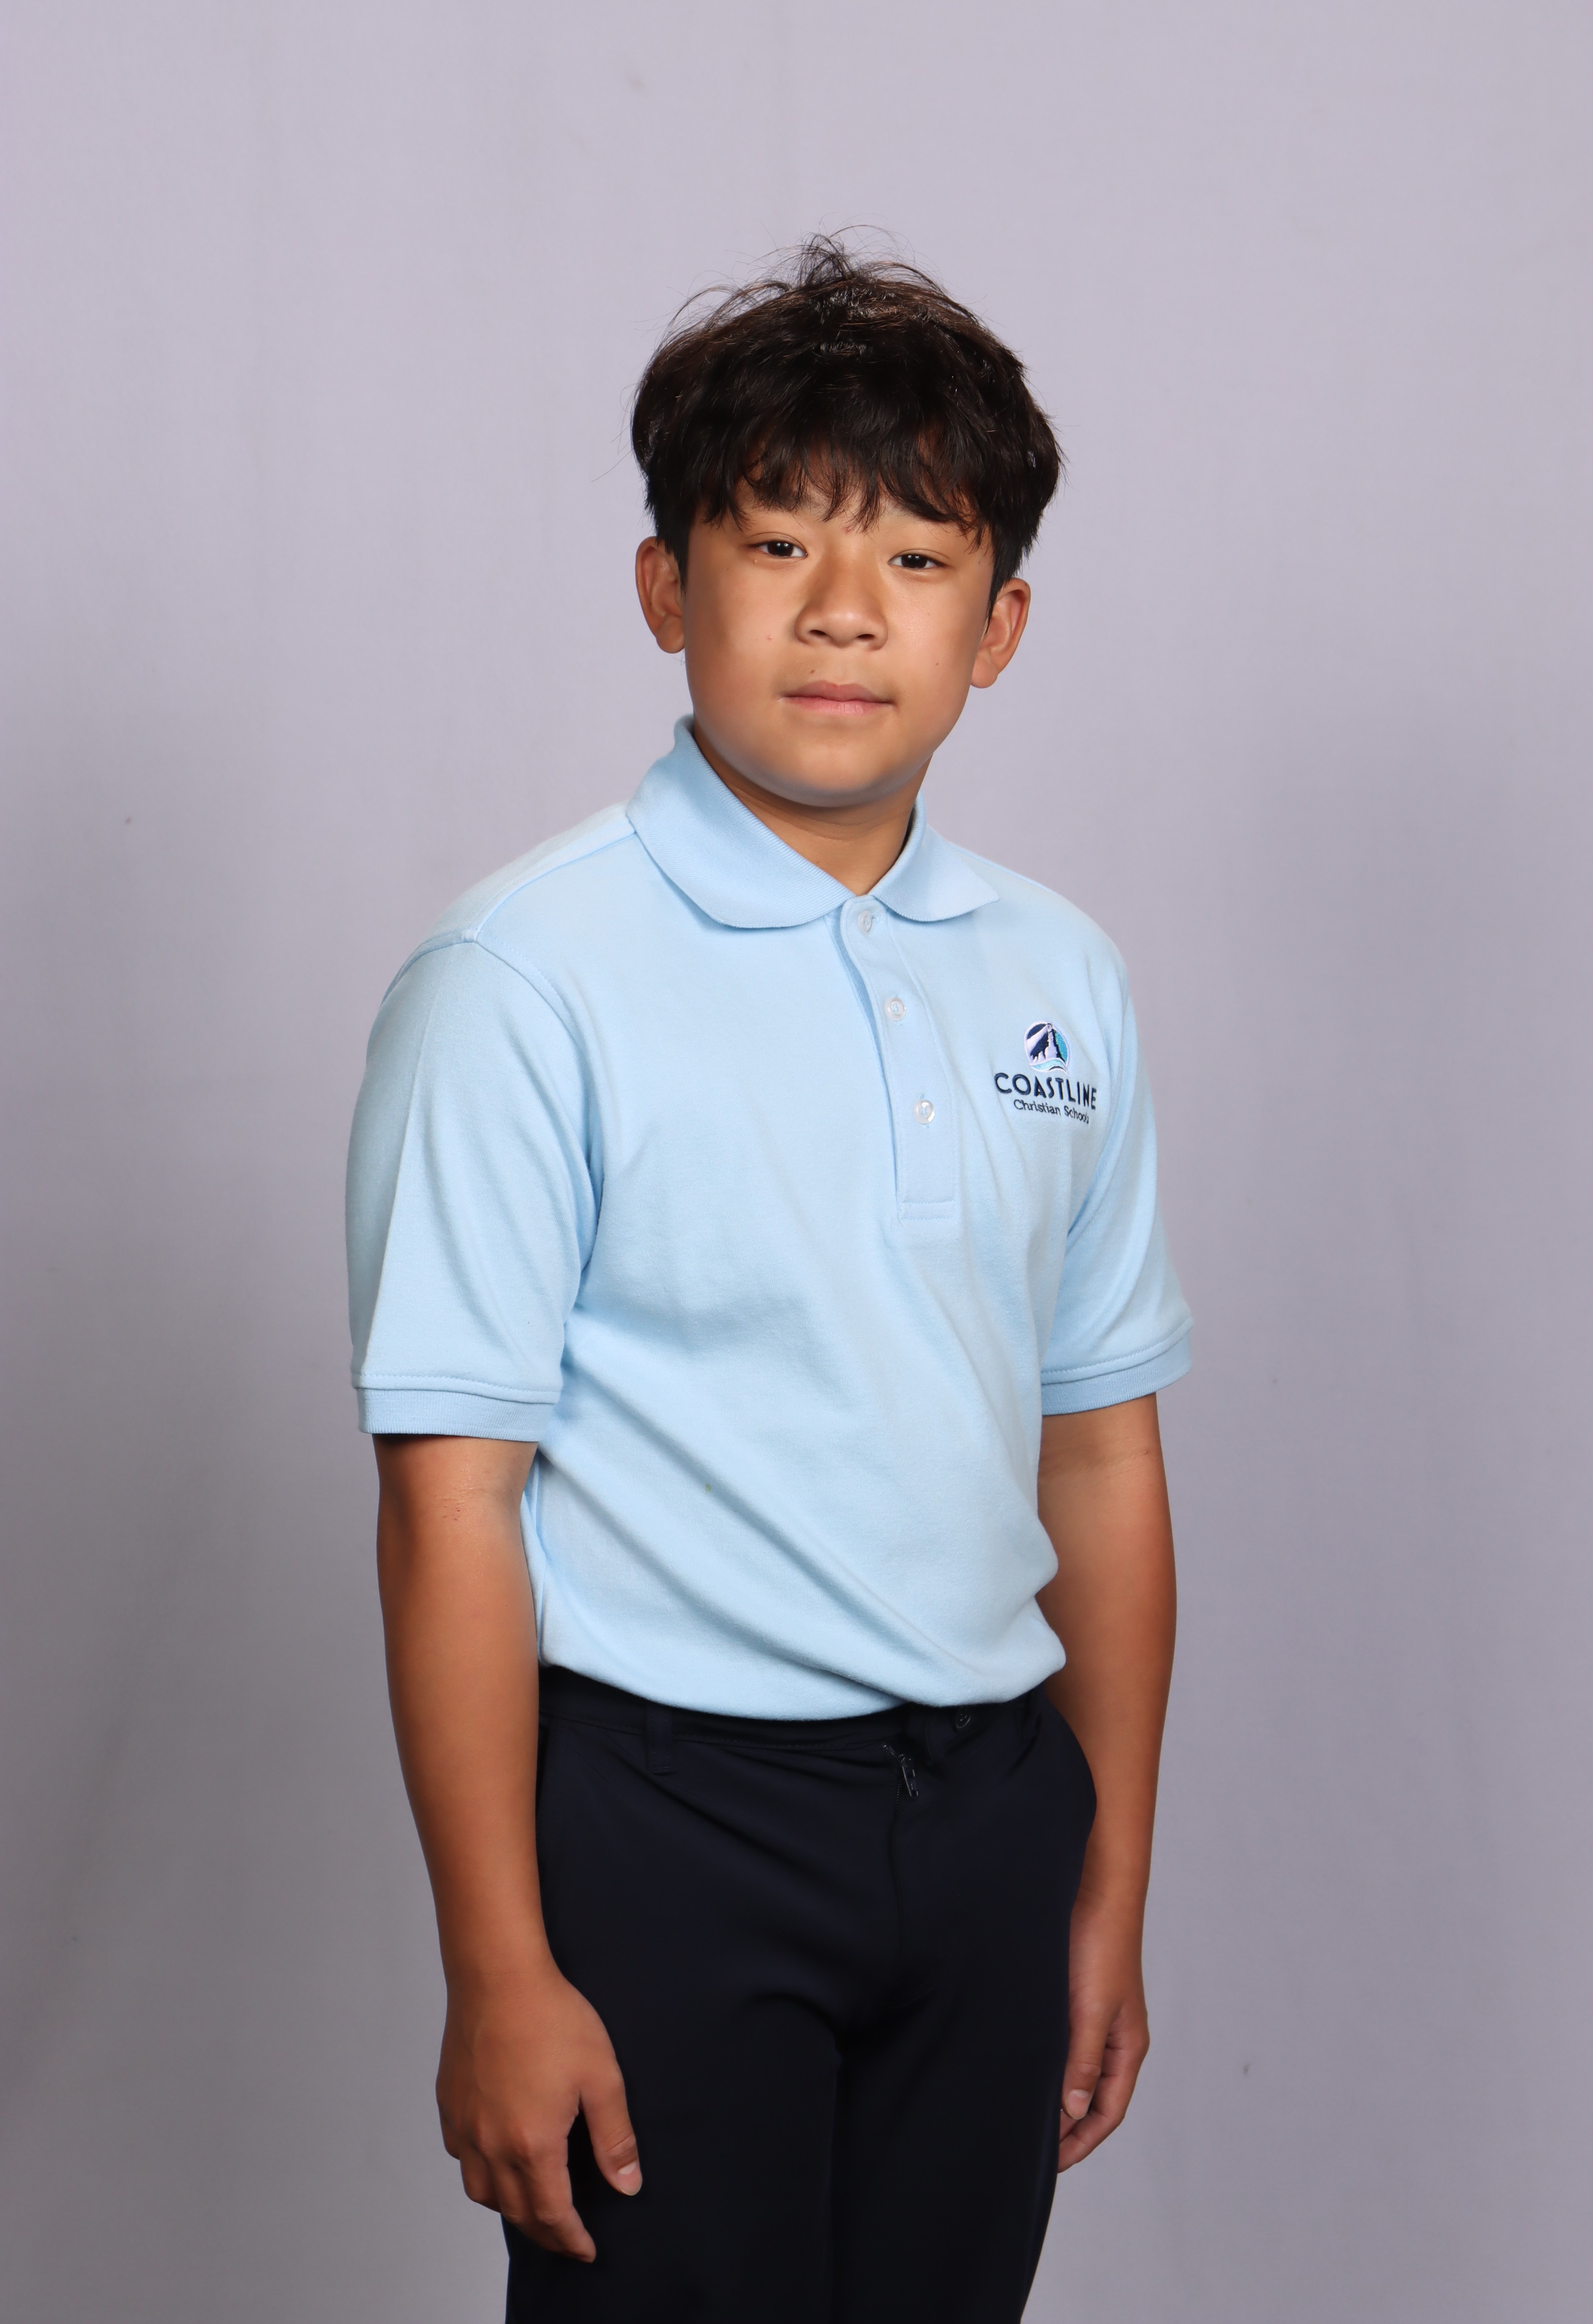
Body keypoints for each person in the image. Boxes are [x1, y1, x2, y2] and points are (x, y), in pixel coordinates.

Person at [346, 236, 1191, 2324]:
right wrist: (498, 1964)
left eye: (914, 555)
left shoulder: (1060, 975)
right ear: (667, 588)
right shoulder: (523, 978)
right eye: (777, 540)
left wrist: (1102, 1883)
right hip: (670, 1822)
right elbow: (450, 1500)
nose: (841, 608)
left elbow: (1098, 1450)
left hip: (991, 1813)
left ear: (997, 626)